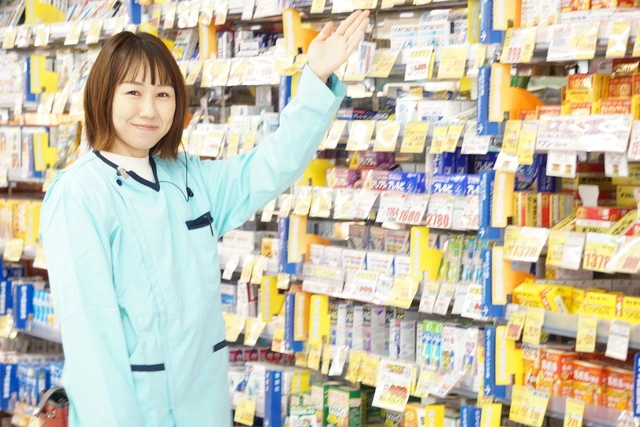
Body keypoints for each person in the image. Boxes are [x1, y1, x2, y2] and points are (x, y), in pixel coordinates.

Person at [40, 10, 370, 427]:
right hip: (136, 412)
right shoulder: (80, 193)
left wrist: (316, 77)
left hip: (203, 406)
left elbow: (273, 165)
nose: (149, 110)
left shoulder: (188, 178)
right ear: (103, 96)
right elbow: (90, 336)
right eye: (133, 92)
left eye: (163, 94)